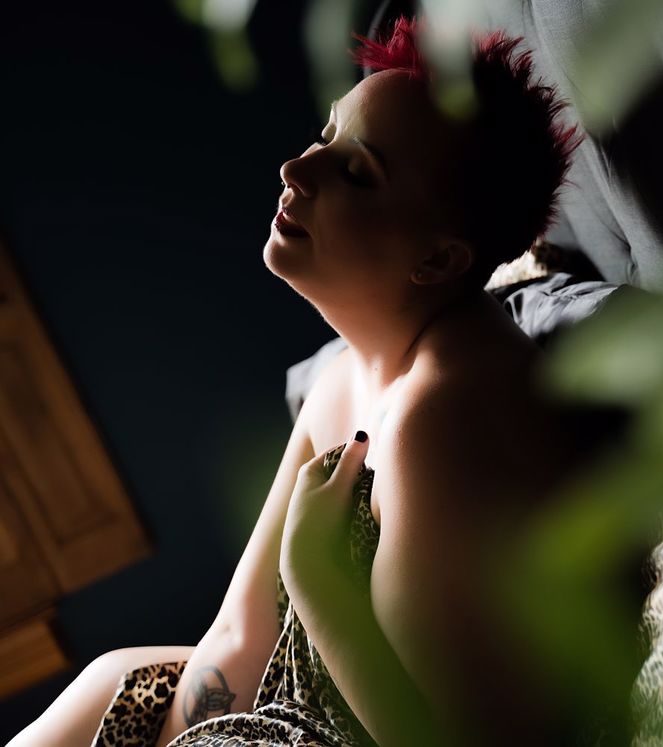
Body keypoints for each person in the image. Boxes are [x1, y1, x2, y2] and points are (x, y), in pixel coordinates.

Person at [11, 15, 605, 746]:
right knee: (103, 684)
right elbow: (238, 637)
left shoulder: (440, 415)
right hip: (237, 715)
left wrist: (321, 591)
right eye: (326, 136)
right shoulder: (346, 375)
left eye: (357, 172)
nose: (297, 170)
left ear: (439, 258)